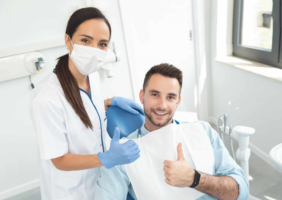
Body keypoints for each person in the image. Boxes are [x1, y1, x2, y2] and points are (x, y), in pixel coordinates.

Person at [29, 7, 142, 200]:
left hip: (99, 181)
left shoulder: (93, 76)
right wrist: (105, 158)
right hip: (70, 190)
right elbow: (59, 160)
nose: (94, 50)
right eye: (85, 40)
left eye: (102, 44)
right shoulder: (46, 98)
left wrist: (110, 104)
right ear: (68, 41)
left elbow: (84, 108)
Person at [94, 63, 249, 200]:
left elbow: (240, 192)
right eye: (155, 95)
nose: (162, 105)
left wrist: (195, 179)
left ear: (178, 101)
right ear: (142, 96)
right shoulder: (122, 152)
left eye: (170, 97)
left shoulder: (203, 131)